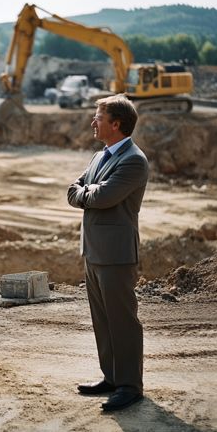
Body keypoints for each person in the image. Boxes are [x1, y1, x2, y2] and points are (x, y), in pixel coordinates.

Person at [67, 94, 149, 412]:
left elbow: (102, 196)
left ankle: (130, 385)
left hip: (116, 254)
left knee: (123, 322)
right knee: (102, 320)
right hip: (94, 251)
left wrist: (85, 193)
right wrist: (87, 192)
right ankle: (112, 377)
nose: (93, 122)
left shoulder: (133, 161)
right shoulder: (101, 155)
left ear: (116, 124)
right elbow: (78, 188)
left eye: (98, 118)